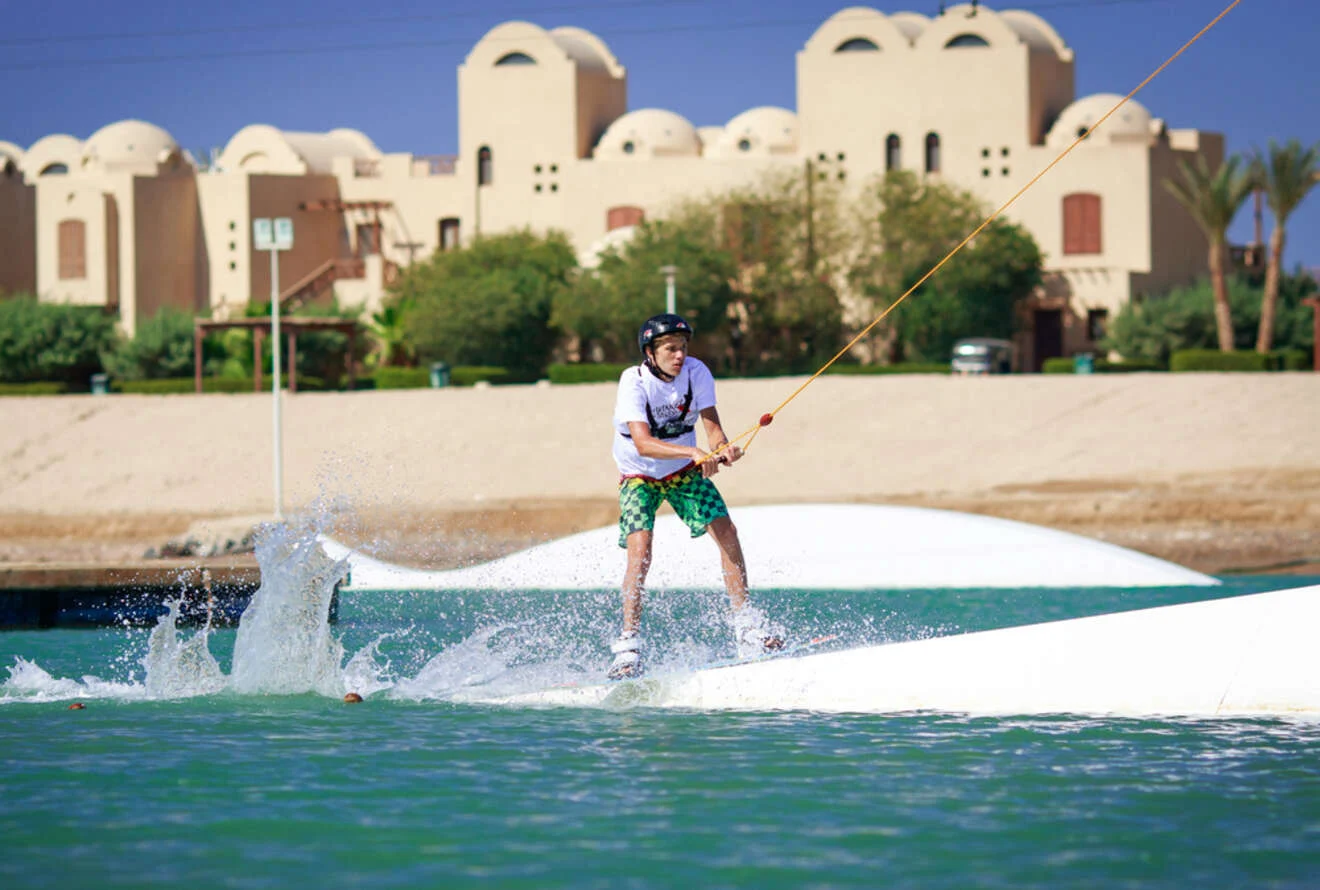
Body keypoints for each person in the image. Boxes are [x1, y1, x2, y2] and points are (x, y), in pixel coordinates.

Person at [607, 313, 783, 680]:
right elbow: (642, 442)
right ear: (650, 353)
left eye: (683, 347)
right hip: (639, 476)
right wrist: (692, 453)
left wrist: (723, 450)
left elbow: (713, 429)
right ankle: (628, 648)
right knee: (641, 551)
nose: (680, 355)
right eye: (671, 348)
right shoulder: (633, 382)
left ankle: (746, 628)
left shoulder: (697, 373)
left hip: (682, 473)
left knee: (727, 532)